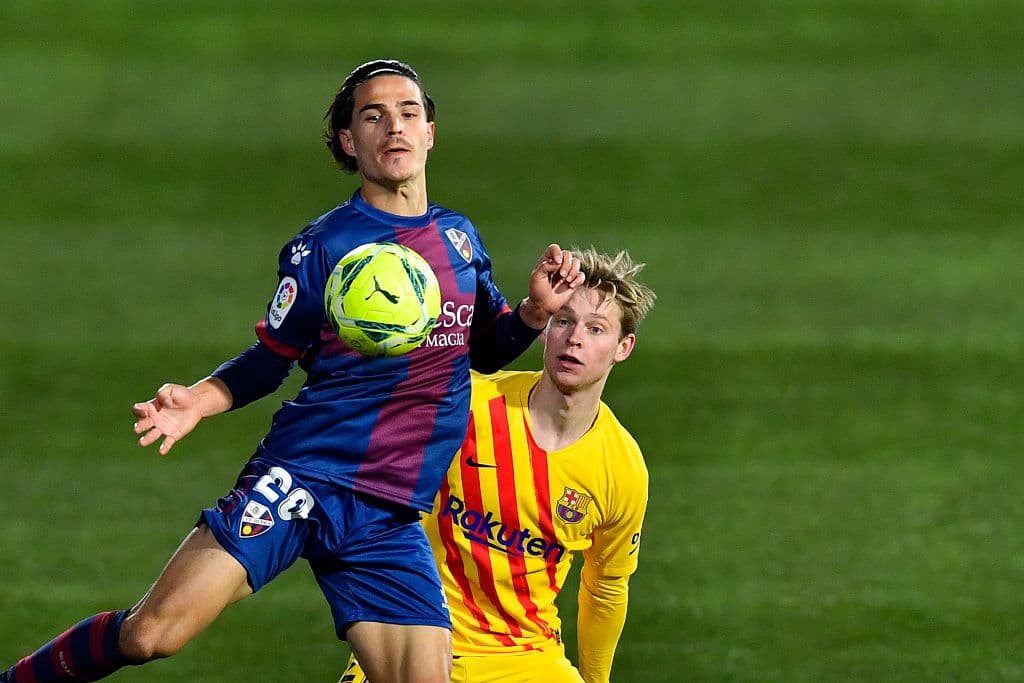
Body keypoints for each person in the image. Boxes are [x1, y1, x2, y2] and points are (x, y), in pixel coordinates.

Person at [0, 59, 585, 683]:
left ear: (430, 132)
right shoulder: (325, 247)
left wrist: (531, 312)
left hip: (389, 512)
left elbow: (481, 350)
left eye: (409, 114)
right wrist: (201, 399)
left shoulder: (459, 240)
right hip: (304, 475)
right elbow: (270, 359)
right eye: (373, 116)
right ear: (347, 141)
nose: (395, 128)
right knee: (151, 636)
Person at [340, 247, 656, 683]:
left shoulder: (621, 468)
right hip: (418, 637)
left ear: (623, 347)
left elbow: (605, 588)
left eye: (595, 328)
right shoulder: (467, 404)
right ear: (547, 330)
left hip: (526, 657)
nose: (575, 338)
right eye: (564, 321)